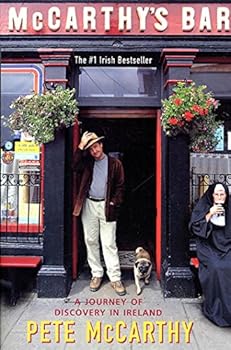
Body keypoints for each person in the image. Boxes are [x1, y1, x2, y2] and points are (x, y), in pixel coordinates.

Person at [72, 131, 126, 296]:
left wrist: (113, 202)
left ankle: (115, 278)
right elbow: (74, 166)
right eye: (91, 149)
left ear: (101, 145)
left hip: (106, 206)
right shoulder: (87, 163)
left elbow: (120, 187)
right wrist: (81, 145)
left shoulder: (115, 164)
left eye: (96, 146)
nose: (94, 151)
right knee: (90, 240)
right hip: (89, 204)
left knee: (109, 242)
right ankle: (96, 274)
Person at [189, 182, 231, 327]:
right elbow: (195, 227)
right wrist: (210, 213)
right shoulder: (204, 207)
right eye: (216, 194)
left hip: (227, 247)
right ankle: (217, 309)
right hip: (208, 247)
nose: (219, 197)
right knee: (218, 268)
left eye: (222, 194)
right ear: (212, 195)